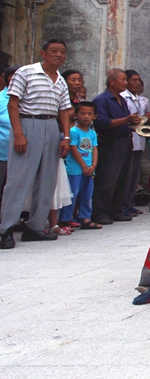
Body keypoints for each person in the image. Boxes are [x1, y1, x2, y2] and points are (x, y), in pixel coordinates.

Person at [0, 40, 73, 249]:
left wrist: (65, 137)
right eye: (54, 51)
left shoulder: (60, 80)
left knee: (47, 179)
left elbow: (64, 111)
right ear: (43, 53)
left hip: (51, 125)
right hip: (28, 122)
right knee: (19, 179)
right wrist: (19, 134)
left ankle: (36, 226)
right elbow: (13, 104)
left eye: (62, 52)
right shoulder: (26, 72)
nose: (58, 55)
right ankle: (6, 229)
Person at [91, 69, 140, 225]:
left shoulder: (122, 100)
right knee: (107, 178)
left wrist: (136, 122)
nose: (126, 83)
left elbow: (125, 122)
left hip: (125, 140)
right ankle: (100, 213)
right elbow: (102, 123)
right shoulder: (102, 100)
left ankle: (117, 211)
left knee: (123, 178)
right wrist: (126, 119)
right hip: (110, 141)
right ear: (112, 81)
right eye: (123, 80)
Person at [59, 102, 102, 231]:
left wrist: (93, 165)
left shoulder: (92, 133)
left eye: (89, 114)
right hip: (75, 169)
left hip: (89, 169)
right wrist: (83, 166)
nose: (86, 117)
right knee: (73, 194)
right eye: (82, 113)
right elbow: (73, 149)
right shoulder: (73, 131)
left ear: (95, 116)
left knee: (87, 194)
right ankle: (65, 219)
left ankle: (85, 218)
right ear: (76, 115)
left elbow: (94, 149)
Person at [121, 70, 150, 216]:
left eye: (139, 80)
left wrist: (146, 117)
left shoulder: (142, 100)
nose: (137, 83)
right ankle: (121, 205)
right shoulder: (122, 98)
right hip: (127, 139)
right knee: (125, 175)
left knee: (134, 176)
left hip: (139, 140)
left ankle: (128, 203)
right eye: (133, 80)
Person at [0, 65, 17, 215]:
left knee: (15, 188)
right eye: (12, 75)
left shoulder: (29, 98)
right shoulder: (0, 98)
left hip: (22, 153)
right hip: (2, 152)